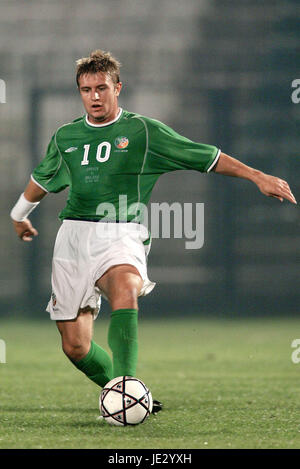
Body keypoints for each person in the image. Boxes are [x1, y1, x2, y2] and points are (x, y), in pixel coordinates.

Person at [10, 50, 296, 415]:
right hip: (73, 238)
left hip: (122, 232)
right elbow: (41, 180)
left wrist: (258, 176)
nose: (94, 96)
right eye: (86, 89)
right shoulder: (66, 136)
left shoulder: (143, 131)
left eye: (101, 88)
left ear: (118, 87)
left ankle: (127, 388)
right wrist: (19, 215)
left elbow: (204, 156)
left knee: (127, 287)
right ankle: (127, 395)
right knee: (75, 346)